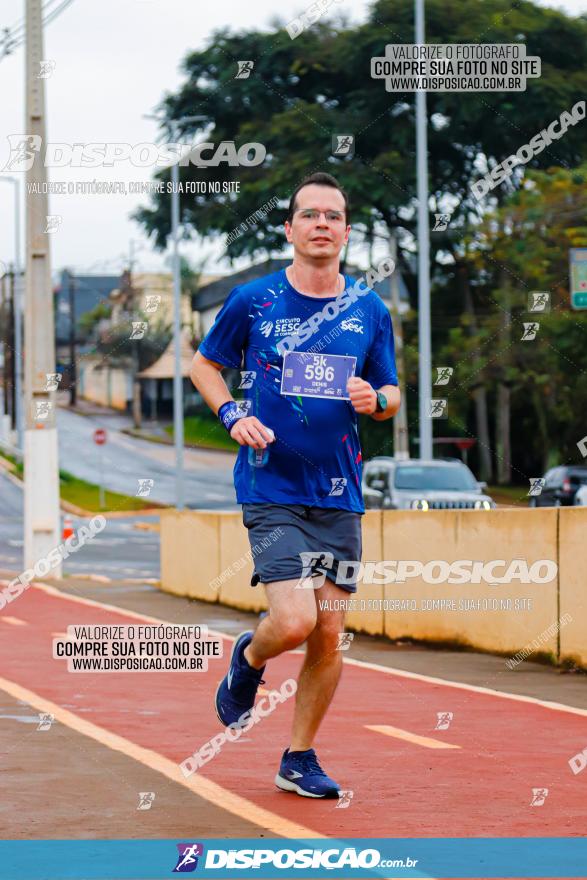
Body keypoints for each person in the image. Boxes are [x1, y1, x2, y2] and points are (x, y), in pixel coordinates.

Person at [190, 171, 400, 798]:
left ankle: (298, 758)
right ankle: (250, 659)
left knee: (330, 633)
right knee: (293, 622)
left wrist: (376, 399)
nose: (321, 225)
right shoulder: (253, 301)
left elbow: (390, 392)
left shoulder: (369, 308)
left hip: (340, 492)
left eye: (333, 216)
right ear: (289, 229)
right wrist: (232, 414)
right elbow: (205, 364)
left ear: (346, 231)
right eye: (309, 215)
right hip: (272, 485)